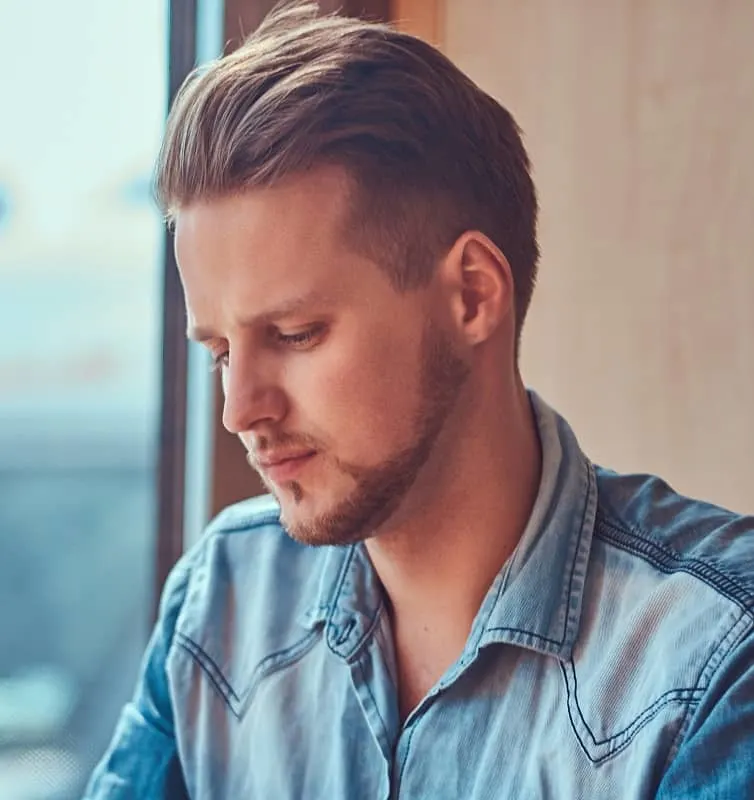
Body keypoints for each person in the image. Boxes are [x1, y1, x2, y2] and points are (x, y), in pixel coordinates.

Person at [83, 3, 754, 798]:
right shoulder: (222, 596)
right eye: (220, 353)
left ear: (471, 295)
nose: (240, 409)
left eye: (296, 333)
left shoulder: (714, 655)